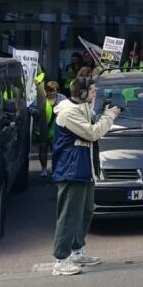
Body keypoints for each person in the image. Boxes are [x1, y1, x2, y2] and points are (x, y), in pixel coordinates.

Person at [50, 77, 121, 275]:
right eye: (92, 91)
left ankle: (76, 251)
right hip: (72, 170)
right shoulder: (69, 112)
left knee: (85, 212)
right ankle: (60, 259)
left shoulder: (82, 107)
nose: (94, 94)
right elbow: (92, 133)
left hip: (84, 168)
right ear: (81, 94)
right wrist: (109, 115)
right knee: (69, 216)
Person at [38, 81, 66, 177]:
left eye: (55, 91)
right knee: (43, 149)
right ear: (46, 91)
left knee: (56, 151)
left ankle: (55, 169)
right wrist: (37, 112)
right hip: (43, 129)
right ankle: (44, 169)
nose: (52, 93)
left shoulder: (62, 99)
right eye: (50, 91)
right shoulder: (41, 99)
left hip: (57, 130)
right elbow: (32, 109)